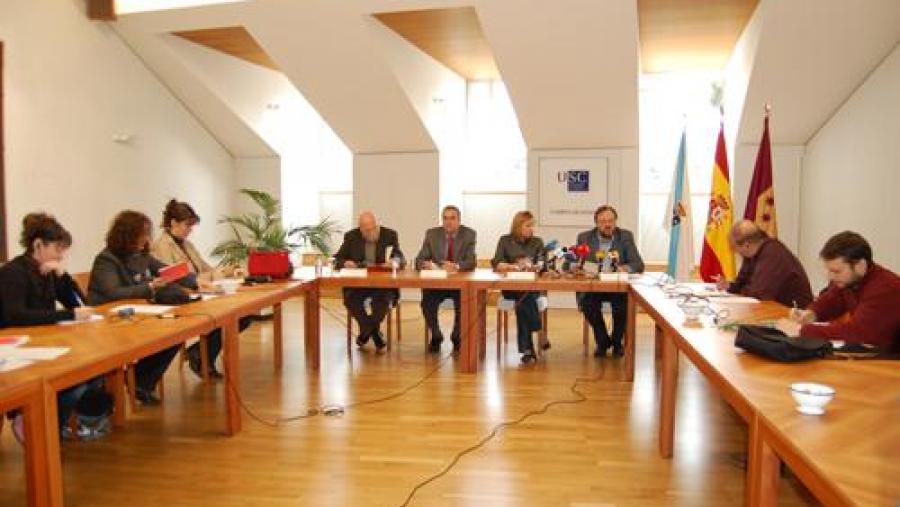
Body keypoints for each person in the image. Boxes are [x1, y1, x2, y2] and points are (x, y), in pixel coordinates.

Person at [0, 213, 111, 440]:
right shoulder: (13, 272)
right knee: (74, 379)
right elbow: (17, 316)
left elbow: (82, 305)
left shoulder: (49, 271)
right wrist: (68, 315)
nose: (60, 256)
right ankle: (34, 423)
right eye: (57, 249)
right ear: (38, 245)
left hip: (45, 341)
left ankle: (53, 423)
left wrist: (63, 277)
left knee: (91, 372)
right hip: (19, 347)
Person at [87, 210, 190, 405]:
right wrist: (150, 286)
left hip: (136, 314)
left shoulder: (141, 255)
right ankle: (135, 381)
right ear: (128, 235)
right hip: (108, 320)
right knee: (162, 334)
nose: (146, 239)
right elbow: (113, 293)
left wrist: (195, 282)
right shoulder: (107, 259)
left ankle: (141, 382)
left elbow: (167, 271)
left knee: (175, 333)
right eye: (142, 234)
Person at [150, 199, 252, 379]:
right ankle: (201, 356)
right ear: (173, 223)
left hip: (203, 293)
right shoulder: (161, 246)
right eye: (187, 225)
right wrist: (207, 278)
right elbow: (173, 278)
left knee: (243, 315)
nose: (190, 230)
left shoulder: (187, 245)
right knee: (227, 316)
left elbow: (206, 269)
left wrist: (229, 270)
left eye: (191, 226)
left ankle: (200, 353)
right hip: (184, 298)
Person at [778, 231, 900, 353]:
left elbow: (858, 333)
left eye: (836, 271)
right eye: (829, 271)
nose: (830, 277)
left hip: (890, 362)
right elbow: (833, 299)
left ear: (861, 266)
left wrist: (802, 331)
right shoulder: (850, 280)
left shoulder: (885, 288)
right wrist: (811, 314)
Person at [576, 205, 644, 357]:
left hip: (616, 286)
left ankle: (617, 341)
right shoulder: (584, 237)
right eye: (603, 221)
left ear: (615, 221)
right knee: (587, 304)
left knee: (622, 306)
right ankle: (602, 341)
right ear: (596, 223)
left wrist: (626, 268)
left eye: (611, 221)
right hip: (595, 285)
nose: (607, 224)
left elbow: (638, 264)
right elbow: (577, 263)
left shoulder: (625, 236)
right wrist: (576, 267)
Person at [333, 211, 405, 352]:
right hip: (359, 284)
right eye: (365, 230)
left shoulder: (390, 235)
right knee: (350, 300)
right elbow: (337, 259)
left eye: (372, 228)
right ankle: (373, 331)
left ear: (376, 224)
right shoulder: (351, 236)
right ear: (360, 229)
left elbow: (399, 256)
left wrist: (394, 261)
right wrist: (345, 262)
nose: (370, 232)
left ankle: (365, 332)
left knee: (382, 301)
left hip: (383, 284)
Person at [415, 205, 477, 353]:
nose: (448, 222)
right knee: (427, 301)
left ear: (459, 220)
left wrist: (456, 266)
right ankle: (436, 335)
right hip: (437, 283)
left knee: (465, 301)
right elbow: (419, 260)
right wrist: (425, 264)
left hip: (458, 284)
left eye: (452, 218)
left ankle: (457, 337)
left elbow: (471, 262)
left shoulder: (469, 234)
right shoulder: (432, 234)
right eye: (445, 218)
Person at [716, 220, 813, 308]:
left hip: (794, 315)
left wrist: (742, 290)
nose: (735, 252)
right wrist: (729, 286)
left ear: (746, 245)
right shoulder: (751, 254)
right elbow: (741, 283)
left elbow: (759, 294)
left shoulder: (773, 253)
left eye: (734, 248)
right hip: (773, 311)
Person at [492, 211, 544, 364]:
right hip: (510, 288)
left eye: (532, 226)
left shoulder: (537, 242)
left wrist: (534, 267)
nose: (531, 229)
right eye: (528, 225)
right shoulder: (505, 240)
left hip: (531, 288)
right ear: (518, 226)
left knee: (523, 302)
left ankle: (527, 350)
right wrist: (514, 266)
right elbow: (497, 263)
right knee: (524, 299)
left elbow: (543, 264)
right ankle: (539, 331)